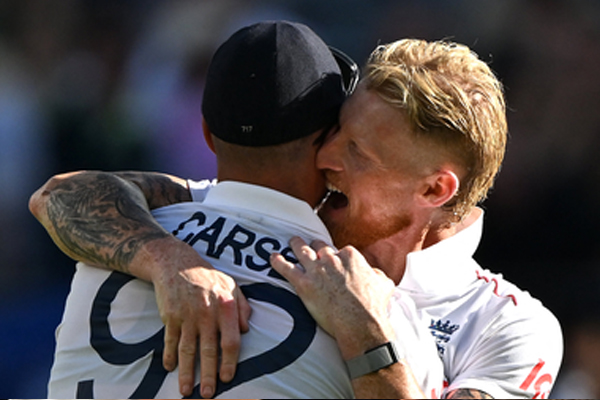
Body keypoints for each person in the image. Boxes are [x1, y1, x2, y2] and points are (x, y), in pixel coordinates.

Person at [31, 34, 564, 399]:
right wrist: (170, 261)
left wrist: (365, 335)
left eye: (357, 152)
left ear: (434, 189)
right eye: (336, 131)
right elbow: (64, 194)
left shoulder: (507, 326)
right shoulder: (255, 207)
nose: (325, 157)